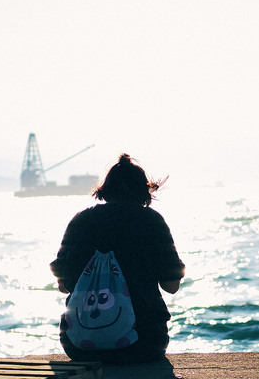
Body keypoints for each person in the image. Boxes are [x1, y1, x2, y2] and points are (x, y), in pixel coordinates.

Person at [50, 153, 185, 363]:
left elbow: (65, 286)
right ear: (144, 191)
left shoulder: (81, 221)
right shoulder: (152, 221)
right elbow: (171, 285)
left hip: (80, 345)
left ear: (106, 190)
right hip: (144, 343)